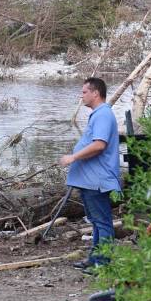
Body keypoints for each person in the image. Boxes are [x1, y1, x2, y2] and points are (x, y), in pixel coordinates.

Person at [58, 77, 120, 271]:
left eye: (84, 91)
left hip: (97, 180)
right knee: (95, 221)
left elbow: (99, 145)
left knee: (102, 222)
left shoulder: (103, 114)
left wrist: (73, 157)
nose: (81, 95)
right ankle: (94, 258)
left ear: (95, 93)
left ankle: (103, 263)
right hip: (90, 180)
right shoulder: (98, 114)